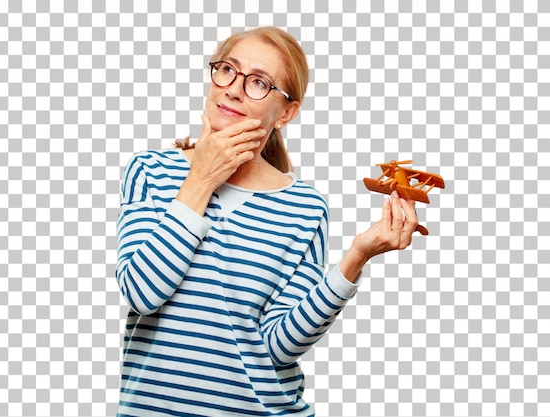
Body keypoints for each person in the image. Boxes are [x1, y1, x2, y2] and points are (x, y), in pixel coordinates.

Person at [116, 27, 418, 417]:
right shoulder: (150, 172)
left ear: (287, 113)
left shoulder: (305, 207)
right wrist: (202, 179)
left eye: (259, 82)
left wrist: (356, 258)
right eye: (228, 70)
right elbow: (142, 292)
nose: (234, 89)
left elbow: (277, 346)